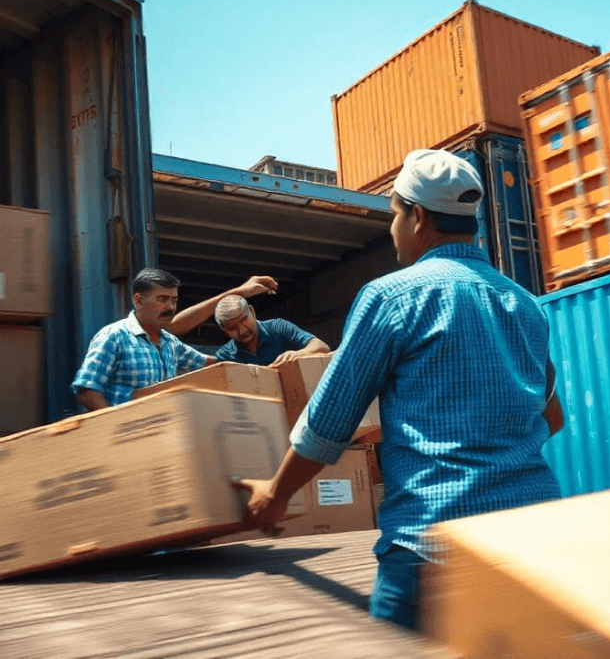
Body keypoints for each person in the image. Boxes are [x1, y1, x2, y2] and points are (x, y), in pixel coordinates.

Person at [233, 149, 564, 630]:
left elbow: (329, 423)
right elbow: (553, 418)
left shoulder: (391, 297)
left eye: (394, 215)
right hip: (535, 541)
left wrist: (276, 494)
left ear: (419, 217)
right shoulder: (526, 305)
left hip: (433, 548)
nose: (391, 229)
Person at [72, 268, 218, 411]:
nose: (170, 307)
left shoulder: (171, 343)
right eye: (162, 299)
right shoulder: (114, 336)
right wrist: (115, 423)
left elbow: (211, 365)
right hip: (124, 425)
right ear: (139, 301)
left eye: (174, 301)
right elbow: (87, 390)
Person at [212, 295, 330, 367]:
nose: (242, 330)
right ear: (224, 331)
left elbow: (321, 347)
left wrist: (297, 354)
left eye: (244, 320)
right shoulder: (225, 356)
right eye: (232, 328)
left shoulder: (278, 327)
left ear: (252, 312)